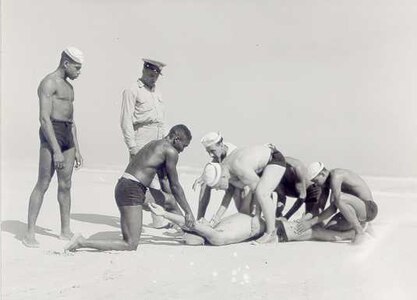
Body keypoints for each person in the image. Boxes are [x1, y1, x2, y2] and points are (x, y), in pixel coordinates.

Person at [64, 125, 196, 252]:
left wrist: (172, 210)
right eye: (184, 146)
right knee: (130, 244)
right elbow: (175, 185)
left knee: (170, 201)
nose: (183, 150)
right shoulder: (171, 151)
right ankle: (81, 242)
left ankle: (189, 232)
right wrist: (188, 212)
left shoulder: (156, 144)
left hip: (128, 186)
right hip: (131, 190)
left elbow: (164, 180)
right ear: (176, 139)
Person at [23, 47, 84, 248]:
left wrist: (77, 148)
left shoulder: (70, 88)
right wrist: (56, 149)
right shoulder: (48, 83)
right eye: (77, 68)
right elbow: (43, 118)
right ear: (66, 63)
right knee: (43, 183)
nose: (79, 72)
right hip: (52, 132)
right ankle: (29, 233)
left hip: (67, 134)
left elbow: (72, 120)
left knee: (66, 185)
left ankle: (65, 230)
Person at [120, 58, 177, 228]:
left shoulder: (157, 93)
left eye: (156, 75)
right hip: (141, 138)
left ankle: (165, 218)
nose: (153, 78)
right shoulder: (132, 90)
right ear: (144, 70)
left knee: (162, 179)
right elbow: (125, 121)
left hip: (159, 138)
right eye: (151, 74)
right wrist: (132, 147)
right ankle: (154, 220)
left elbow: (161, 120)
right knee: (144, 181)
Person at [148, 202, 354, 246]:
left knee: (315, 232)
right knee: (315, 232)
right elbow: (192, 225)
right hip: (272, 225)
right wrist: (167, 215)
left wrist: (166, 215)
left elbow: (191, 224)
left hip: (271, 225)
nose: (202, 222)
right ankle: (349, 231)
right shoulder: (217, 235)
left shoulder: (217, 232)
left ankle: (350, 232)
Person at [201, 144, 286, 244]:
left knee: (262, 193)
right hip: (259, 166)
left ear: (222, 177)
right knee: (257, 192)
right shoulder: (225, 168)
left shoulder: (238, 168)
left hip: (274, 159)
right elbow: (228, 196)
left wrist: (256, 216)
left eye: (218, 186)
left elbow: (257, 188)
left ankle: (271, 234)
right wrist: (216, 218)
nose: (217, 189)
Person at [295, 162, 378, 244]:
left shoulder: (336, 175)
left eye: (316, 181)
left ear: (323, 174)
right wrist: (303, 220)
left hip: (369, 209)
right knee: (328, 230)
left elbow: (334, 206)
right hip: (354, 211)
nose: (316, 184)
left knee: (339, 198)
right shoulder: (325, 184)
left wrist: (311, 222)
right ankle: (355, 232)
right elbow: (319, 208)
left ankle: (359, 231)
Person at [192, 132, 238, 221]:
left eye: (212, 151)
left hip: (242, 183)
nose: (210, 154)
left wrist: (216, 218)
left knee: (230, 189)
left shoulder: (233, 155)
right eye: (208, 152)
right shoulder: (221, 149)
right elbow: (214, 162)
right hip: (228, 175)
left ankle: (216, 219)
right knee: (205, 184)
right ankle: (200, 219)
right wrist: (203, 176)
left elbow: (230, 191)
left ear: (221, 144)